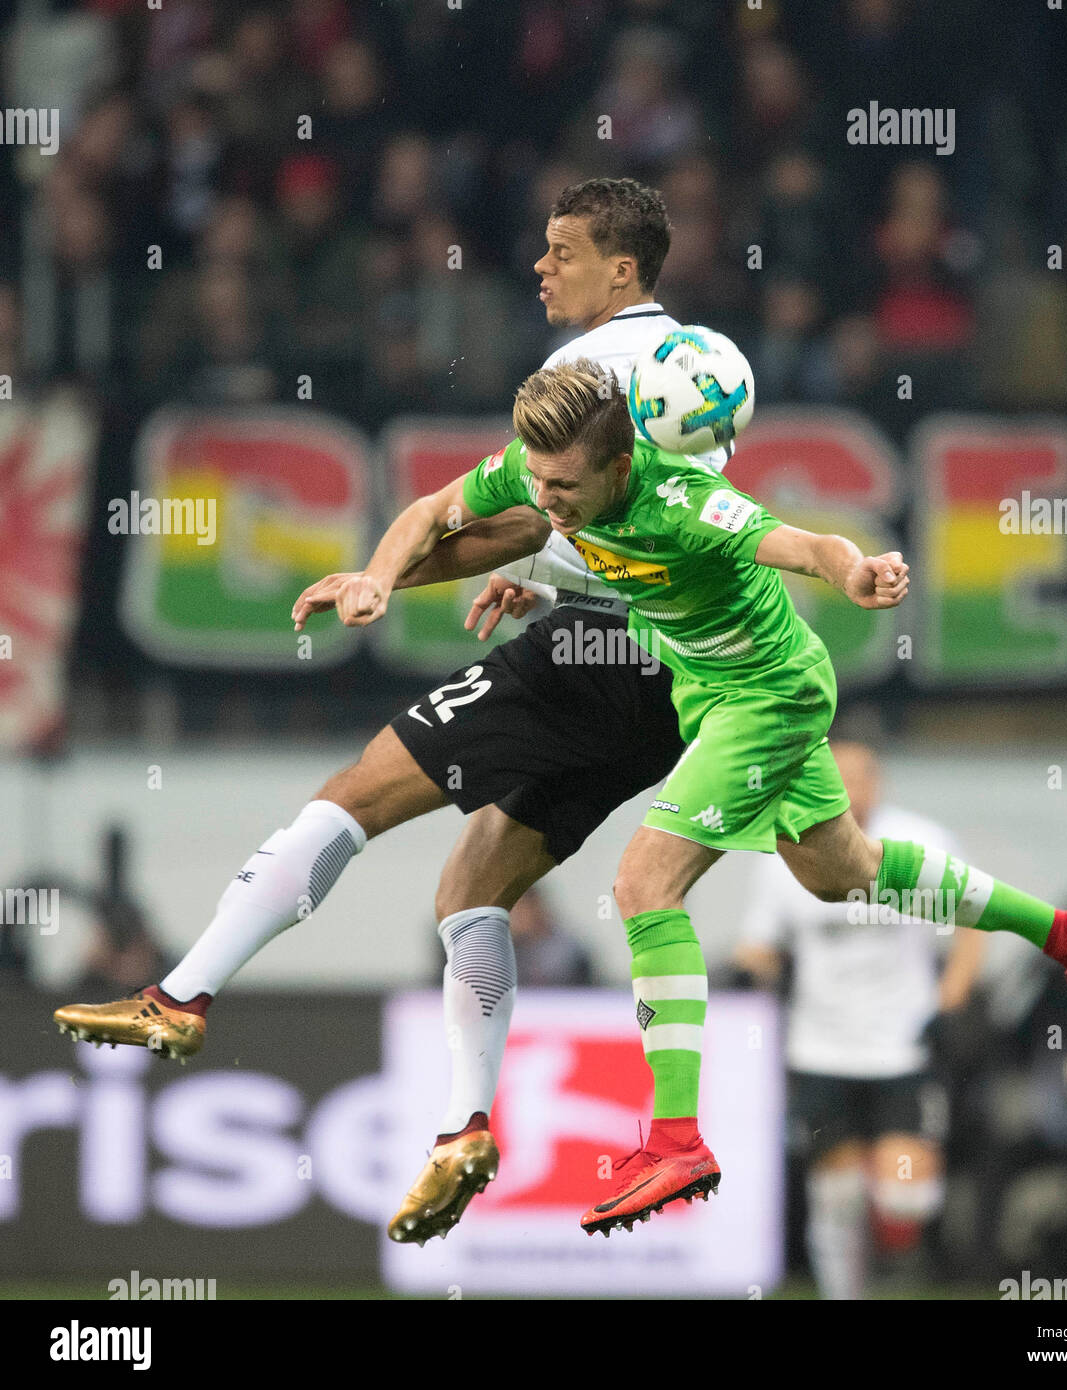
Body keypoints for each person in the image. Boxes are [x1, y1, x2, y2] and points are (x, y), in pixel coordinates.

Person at [52, 178, 725, 1246]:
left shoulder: (583, 374)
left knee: (353, 796)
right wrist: (552, 574)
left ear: (623, 270)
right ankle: (464, 1129)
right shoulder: (696, 367)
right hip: (672, 681)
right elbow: (633, 523)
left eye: (563, 251)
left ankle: (181, 994)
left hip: (590, 659)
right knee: (471, 890)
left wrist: (378, 576)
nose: (543, 266)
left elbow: (485, 511)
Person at [444, 360, 1067, 1238]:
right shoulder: (548, 474)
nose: (544, 496)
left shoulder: (687, 499)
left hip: (766, 696)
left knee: (642, 884)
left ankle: (674, 1140)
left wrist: (850, 574)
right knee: (842, 872)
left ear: (620, 465)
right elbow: (612, 564)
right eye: (537, 480)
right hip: (718, 695)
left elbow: (807, 546)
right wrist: (537, 582)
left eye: (562, 484)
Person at [734, 741, 984, 1298]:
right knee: (837, 1198)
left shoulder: (920, 842)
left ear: (879, 783)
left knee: (903, 1199)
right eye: (836, 776)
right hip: (821, 1049)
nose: (850, 788)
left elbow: (977, 919)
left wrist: (952, 999)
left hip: (903, 1045)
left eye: (861, 777)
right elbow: (759, 946)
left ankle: (898, 1248)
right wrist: (743, 974)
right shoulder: (785, 847)